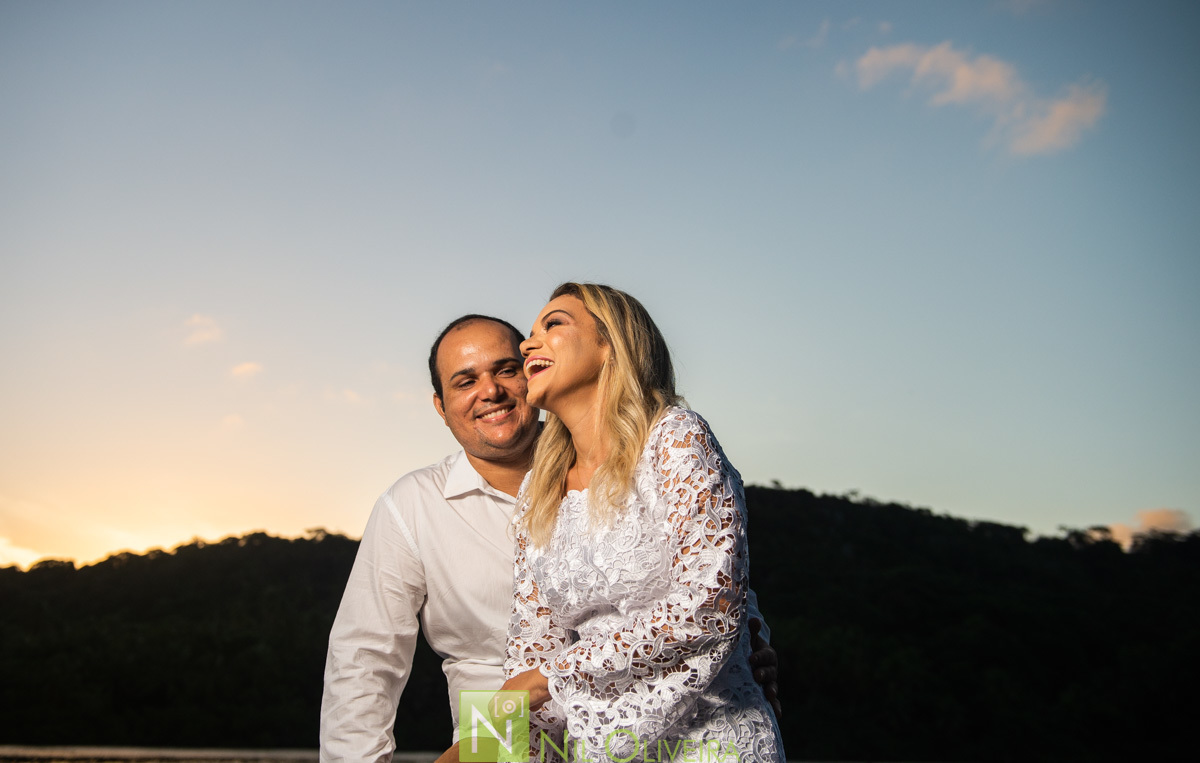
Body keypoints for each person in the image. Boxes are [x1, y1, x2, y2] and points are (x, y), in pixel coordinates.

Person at [319, 314, 779, 763]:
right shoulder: (411, 504)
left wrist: (746, 648)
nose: (490, 391)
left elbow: (702, 574)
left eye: (506, 370)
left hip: (654, 719)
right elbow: (363, 660)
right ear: (441, 406)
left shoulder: (631, 449)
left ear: (533, 372)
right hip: (497, 735)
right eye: (465, 381)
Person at [498, 283, 784, 762]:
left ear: (611, 343)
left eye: (553, 324)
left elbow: (711, 605)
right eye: (528, 333)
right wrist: (478, 751)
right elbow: (527, 659)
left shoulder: (675, 437)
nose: (527, 344)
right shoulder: (538, 490)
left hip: (710, 741)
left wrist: (555, 676)